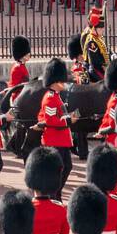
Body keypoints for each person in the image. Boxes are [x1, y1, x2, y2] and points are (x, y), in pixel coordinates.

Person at [36, 57, 77, 200]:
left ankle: (56, 193)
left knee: (67, 167)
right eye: (61, 80)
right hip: (55, 140)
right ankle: (53, 195)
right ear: (54, 82)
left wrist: (70, 117)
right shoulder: (50, 98)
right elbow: (50, 120)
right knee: (57, 170)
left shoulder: (57, 96)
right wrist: (67, 120)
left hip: (62, 140)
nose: (64, 83)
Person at [8, 36, 31, 108]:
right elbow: (15, 87)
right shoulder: (17, 67)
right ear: (22, 54)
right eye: (27, 52)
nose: (29, 54)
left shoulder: (21, 66)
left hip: (23, 95)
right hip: (18, 98)